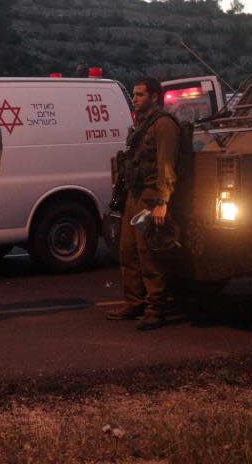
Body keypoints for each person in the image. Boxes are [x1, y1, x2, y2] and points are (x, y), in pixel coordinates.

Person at [107, 77, 180, 331]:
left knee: (148, 254)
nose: (135, 99)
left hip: (150, 196)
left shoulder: (164, 126)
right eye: (135, 94)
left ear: (154, 97)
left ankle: (155, 308)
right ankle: (134, 302)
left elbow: (166, 165)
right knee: (127, 251)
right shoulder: (142, 125)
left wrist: (162, 201)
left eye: (140, 95)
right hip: (134, 195)